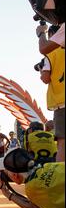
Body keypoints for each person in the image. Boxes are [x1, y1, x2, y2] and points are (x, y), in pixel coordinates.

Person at [0, 148, 64, 208]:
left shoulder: (32, 188)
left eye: (7, 174)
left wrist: (6, 193)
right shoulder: (49, 165)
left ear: (15, 175)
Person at [38, 25, 65, 162]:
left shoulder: (50, 54)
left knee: (62, 143)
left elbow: (46, 78)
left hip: (62, 101)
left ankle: (61, 180)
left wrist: (42, 70)